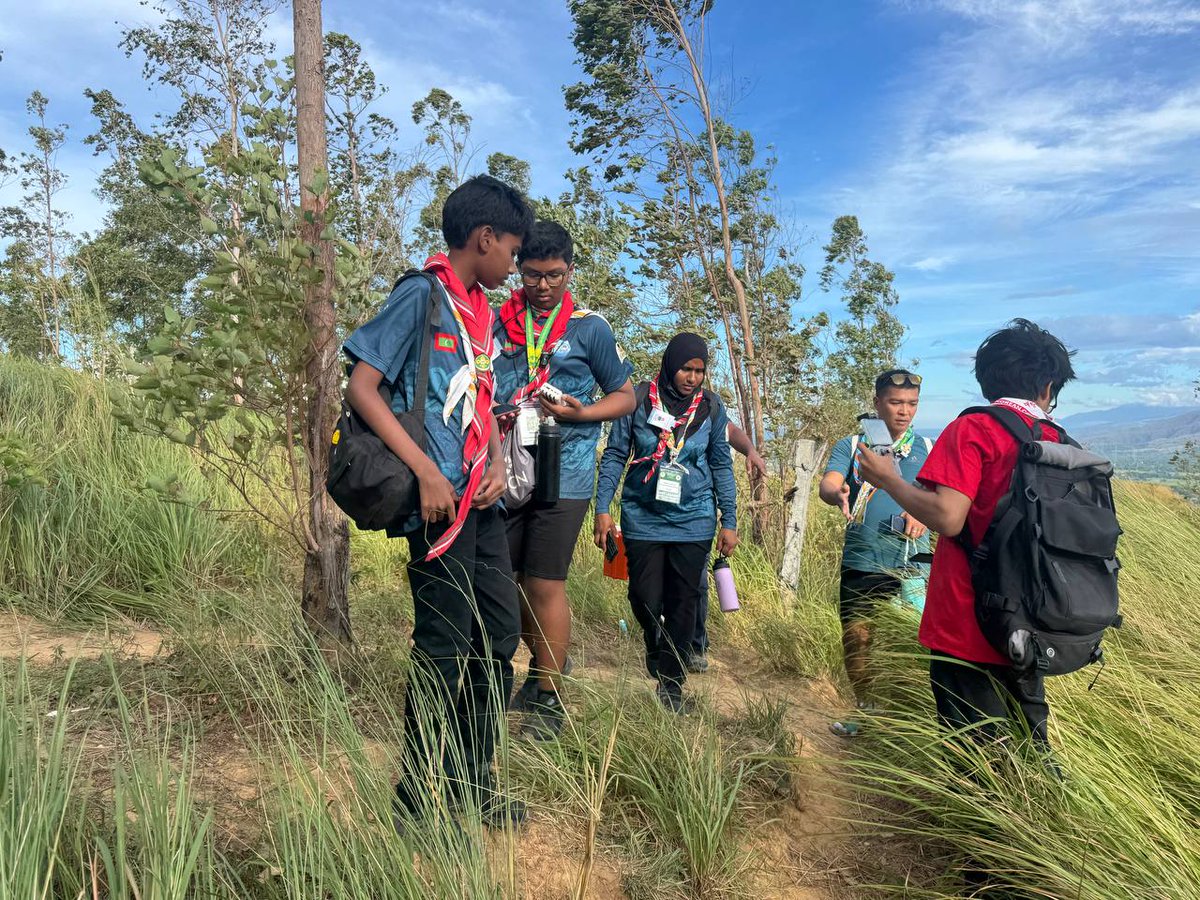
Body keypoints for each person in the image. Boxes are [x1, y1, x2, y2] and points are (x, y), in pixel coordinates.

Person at [342, 174, 533, 829]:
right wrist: (426, 470)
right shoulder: (421, 298)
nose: (514, 262)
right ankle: (413, 798)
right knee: (442, 645)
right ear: (484, 238)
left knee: (498, 638)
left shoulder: (480, 315)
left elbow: (490, 408)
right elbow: (362, 388)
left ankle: (472, 782)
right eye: (511, 248)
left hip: (482, 506)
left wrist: (501, 464)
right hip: (435, 508)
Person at [854, 319, 1077, 750]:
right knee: (1029, 743)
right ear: (1048, 387)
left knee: (972, 749)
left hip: (968, 621)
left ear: (987, 379)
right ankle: (1037, 815)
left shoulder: (974, 428)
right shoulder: (1058, 441)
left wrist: (889, 481)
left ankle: (978, 818)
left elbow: (949, 517)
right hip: (1033, 620)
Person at [491, 220, 636, 740]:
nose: (543, 286)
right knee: (507, 581)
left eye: (554, 275)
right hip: (505, 471)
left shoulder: (589, 328)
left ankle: (549, 698)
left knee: (545, 582)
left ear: (570, 271)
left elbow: (626, 396)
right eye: (532, 274)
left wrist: (583, 414)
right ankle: (537, 669)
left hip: (565, 473)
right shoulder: (498, 321)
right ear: (518, 270)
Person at [594, 333, 739, 713]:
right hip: (643, 517)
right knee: (643, 597)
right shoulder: (638, 400)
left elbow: (721, 462)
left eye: (699, 371)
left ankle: (672, 686)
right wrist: (602, 507)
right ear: (668, 364)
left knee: (684, 601)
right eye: (685, 369)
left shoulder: (710, 407)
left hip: (695, 519)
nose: (692, 378)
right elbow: (614, 455)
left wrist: (730, 519)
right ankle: (654, 640)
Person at [819, 369, 933, 737]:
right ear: (877, 403)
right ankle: (866, 711)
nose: (904, 411)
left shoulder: (929, 448)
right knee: (858, 638)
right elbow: (830, 482)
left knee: (912, 644)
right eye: (895, 403)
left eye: (912, 404)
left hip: (913, 566)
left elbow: (940, 498)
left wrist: (921, 512)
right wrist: (835, 493)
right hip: (863, 560)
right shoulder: (854, 446)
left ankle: (908, 721)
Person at [687, 424, 766, 673]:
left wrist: (750, 450)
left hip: (698, 513)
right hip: (657, 511)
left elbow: (729, 431)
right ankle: (662, 641)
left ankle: (695, 646)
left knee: (696, 582)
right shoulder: (653, 399)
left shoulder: (707, 407)